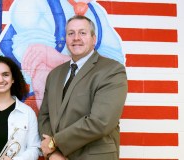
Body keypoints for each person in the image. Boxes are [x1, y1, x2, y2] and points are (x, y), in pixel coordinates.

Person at [38, 15, 128, 160]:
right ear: (66, 38)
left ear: (94, 39)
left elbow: (101, 121)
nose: (76, 38)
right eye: (71, 33)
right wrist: (54, 153)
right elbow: (45, 116)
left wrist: (55, 143)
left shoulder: (112, 70)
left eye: (82, 33)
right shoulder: (55, 74)